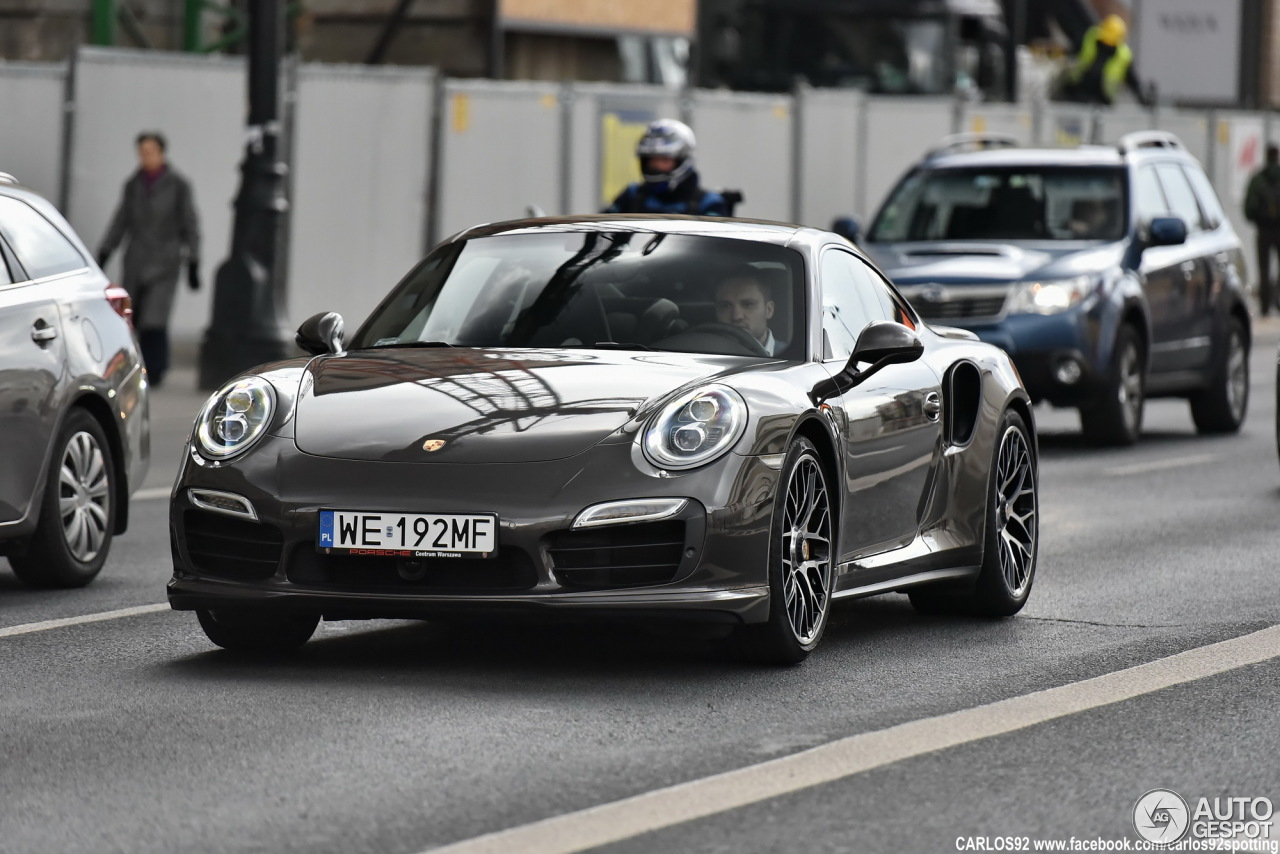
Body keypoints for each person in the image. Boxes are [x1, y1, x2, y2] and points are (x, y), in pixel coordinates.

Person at [97, 131, 201, 387]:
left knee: (155, 318)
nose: (146, 157)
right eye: (142, 152)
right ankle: (133, 365)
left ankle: (156, 369)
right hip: (137, 259)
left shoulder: (178, 185)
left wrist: (194, 261)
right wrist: (105, 251)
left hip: (165, 261)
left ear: (161, 153)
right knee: (133, 316)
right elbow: (121, 220)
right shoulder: (133, 185)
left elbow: (190, 224)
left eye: (150, 152)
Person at [604, 119, 730, 216]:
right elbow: (600, 236)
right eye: (652, 160)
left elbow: (713, 248)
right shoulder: (632, 195)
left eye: (664, 160)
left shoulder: (708, 202)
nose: (656, 166)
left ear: (682, 160)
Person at [1061, 14, 1133, 106]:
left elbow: (1132, 80)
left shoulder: (1123, 56)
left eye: (1110, 43)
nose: (1106, 45)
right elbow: (1073, 53)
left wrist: (1143, 98)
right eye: (1105, 41)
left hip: (1102, 101)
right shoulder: (1090, 39)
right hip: (1076, 91)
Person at [1245, 143, 1280, 316]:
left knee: (1263, 269)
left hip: (1263, 230)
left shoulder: (1258, 179)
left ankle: (1265, 306)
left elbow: (1248, 209)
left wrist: (1259, 219)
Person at [714, 266, 782, 355]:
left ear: (769, 310)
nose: (736, 316)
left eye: (748, 304)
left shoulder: (793, 355)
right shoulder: (704, 352)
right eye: (725, 306)